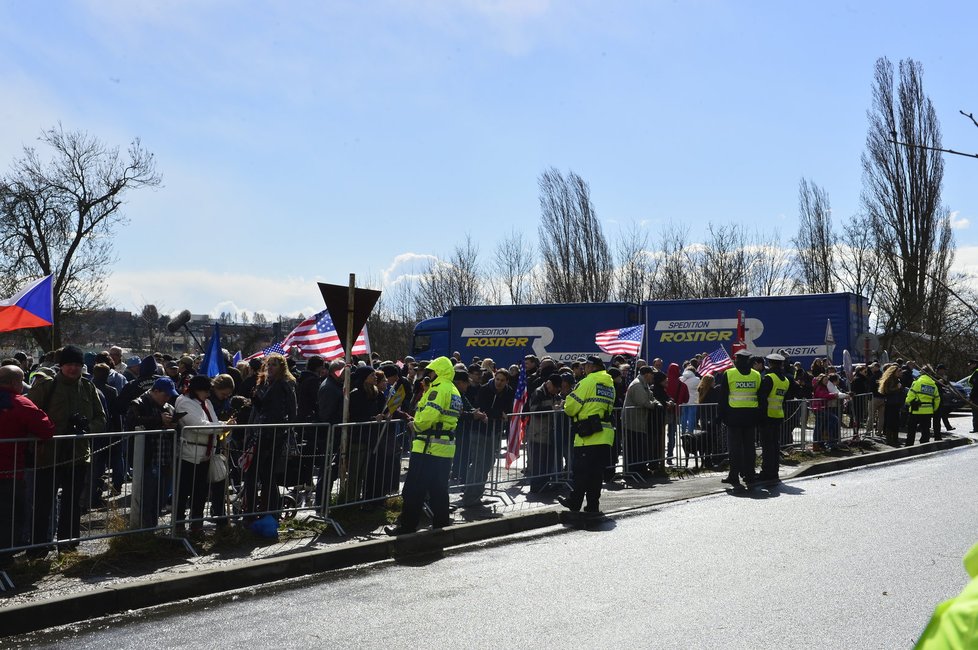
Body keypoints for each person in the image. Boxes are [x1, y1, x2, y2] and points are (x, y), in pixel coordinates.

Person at [27, 345, 107, 552]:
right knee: (43, 504)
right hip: (49, 455)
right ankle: (38, 547)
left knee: (73, 504)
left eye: (77, 365)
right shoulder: (47, 386)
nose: (73, 369)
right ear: (61, 366)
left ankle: (68, 545)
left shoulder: (89, 388)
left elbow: (101, 418)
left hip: (78, 455)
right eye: (69, 364)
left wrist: (87, 427)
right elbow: (31, 416)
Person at [385, 356, 461, 535]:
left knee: (413, 490)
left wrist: (415, 424)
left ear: (438, 372)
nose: (429, 375)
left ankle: (407, 526)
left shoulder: (437, 390)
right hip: (444, 448)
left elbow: (427, 418)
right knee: (439, 489)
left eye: (431, 372)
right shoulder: (453, 390)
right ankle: (441, 525)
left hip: (428, 447)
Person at [0, 365, 55, 568]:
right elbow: (46, 428)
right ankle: (5, 560)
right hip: (9, 472)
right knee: (10, 516)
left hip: (8, 469)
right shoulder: (19, 403)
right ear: (15, 383)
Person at [560, 355, 615, 515]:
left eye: (586, 366)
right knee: (596, 475)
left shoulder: (587, 382)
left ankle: (574, 502)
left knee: (581, 473)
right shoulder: (609, 384)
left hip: (587, 436)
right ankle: (592, 506)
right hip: (605, 435)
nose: (584, 369)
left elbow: (571, 408)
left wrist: (566, 402)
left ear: (592, 367)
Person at [174, 375, 226, 537]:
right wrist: (222, 426)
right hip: (189, 454)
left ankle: (197, 525)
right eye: (205, 391)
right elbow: (198, 426)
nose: (208, 394)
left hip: (206, 455)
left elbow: (213, 422)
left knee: (200, 492)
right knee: (183, 492)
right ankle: (179, 525)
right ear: (196, 390)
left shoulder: (207, 403)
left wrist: (222, 425)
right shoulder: (183, 402)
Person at [245, 353, 296, 516]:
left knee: (264, 474)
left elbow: (290, 410)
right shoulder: (265, 382)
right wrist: (256, 401)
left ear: (281, 367)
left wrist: (284, 429)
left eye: (274, 365)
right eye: (269, 365)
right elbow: (263, 409)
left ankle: (266, 512)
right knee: (259, 473)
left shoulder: (284, 385)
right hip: (261, 431)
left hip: (273, 434)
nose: (270, 368)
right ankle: (258, 510)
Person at [126, 377, 179, 529]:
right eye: (165, 395)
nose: (167, 398)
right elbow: (133, 422)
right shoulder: (138, 403)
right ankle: (144, 531)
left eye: (169, 396)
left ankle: (152, 529)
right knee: (147, 498)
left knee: (161, 499)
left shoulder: (169, 407)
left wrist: (174, 425)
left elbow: (176, 429)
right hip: (148, 459)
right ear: (155, 391)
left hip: (165, 458)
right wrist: (158, 420)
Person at [461, 368, 514, 508]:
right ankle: (469, 496)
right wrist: (498, 414)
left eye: (502, 380)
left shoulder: (508, 391)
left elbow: (509, 409)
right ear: (494, 378)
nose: (499, 382)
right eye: (497, 379)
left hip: (494, 432)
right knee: (478, 463)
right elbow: (481, 407)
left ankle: (478, 494)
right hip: (479, 431)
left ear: (507, 381)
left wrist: (505, 414)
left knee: (488, 463)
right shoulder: (485, 389)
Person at [716, 349, 761, 489]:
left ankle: (734, 475)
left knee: (734, 448)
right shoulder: (756, 375)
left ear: (736, 360)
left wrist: (721, 416)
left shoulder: (729, 374)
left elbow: (723, 397)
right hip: (751, 416)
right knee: (749, 448)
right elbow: (759, 396)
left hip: (733, 416)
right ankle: (750, 475)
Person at [524, 375, 562, 493]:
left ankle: (544, 485)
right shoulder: (538, 392)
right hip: (538, 433)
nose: (556, 392)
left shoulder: (553, 394)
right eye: (555, 389)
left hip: (548, 432)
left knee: (547, 461)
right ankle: (537, 487)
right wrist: (551, 408)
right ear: (550, 384)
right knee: (538, 462)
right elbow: (534, 410)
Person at [757, 353, 790, 483]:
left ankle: (767, 472)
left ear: (769, 363)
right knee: (775, 446)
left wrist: (760, 415)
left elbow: (762, 398)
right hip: (778, 415)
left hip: (767, 416)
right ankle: (774, 471)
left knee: (767, 447)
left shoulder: (769, 378)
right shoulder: (785, 380)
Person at [621, 366, 660, 477]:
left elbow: (651, 397)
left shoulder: (644, 384)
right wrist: (655, 405)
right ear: (647, 374)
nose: (653, 376)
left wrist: (655, 402)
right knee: (634, 448)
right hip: (632, 422)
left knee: (639, 447)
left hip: (639, 421)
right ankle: (633, 470)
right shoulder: (638, 385)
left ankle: (640, 468)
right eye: (652, 374)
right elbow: (644, 402)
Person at [905, 367, 940, 446]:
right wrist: (934, 409)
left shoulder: (917, 383)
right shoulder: (933, 385)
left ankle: (909, 445)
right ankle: (925, 445)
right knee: (925, 430)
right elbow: (937, 399)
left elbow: (910, 396)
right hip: (928, 411)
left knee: (912, 429)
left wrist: (907, 403)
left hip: (916, 410)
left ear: (922, 373)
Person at [878, 364, 903, 447]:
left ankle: (895, 439)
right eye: (899, 371)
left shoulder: (897, 380)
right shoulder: (889, 380)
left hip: (896, 403)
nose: (901, 372)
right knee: (891, 422)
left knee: (896, 422)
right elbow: (888, 391)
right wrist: (897, 388)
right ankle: (889, 440)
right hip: (891, 403)